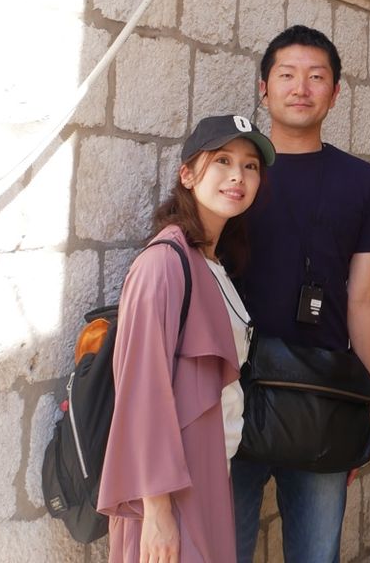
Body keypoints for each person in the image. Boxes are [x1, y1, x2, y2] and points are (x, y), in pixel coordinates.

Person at [233, 26, 370, 563]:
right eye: (287, 75)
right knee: (220, 548)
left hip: (322, 395)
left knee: (316, 555)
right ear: (264, 88)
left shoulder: (364, 182)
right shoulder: (235, 173)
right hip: (232, 391)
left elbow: (364, 297)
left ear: (335, 92)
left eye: (316, 77)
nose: (301, 88)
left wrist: (362, 403)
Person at [98, 114, 274, 563]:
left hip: (210, 475)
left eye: (250, 166)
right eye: (222, 160)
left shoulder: (213, 264)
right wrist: (157, 511)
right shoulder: (163, 264)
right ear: (188, 174)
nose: (237, 176)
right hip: (170, 493)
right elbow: (141, 391)